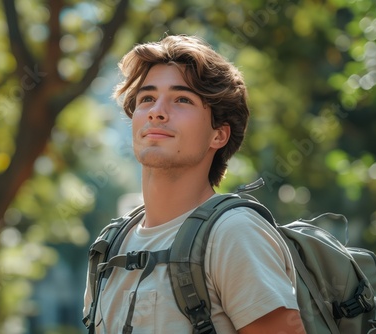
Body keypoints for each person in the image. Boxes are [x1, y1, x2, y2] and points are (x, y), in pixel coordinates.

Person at [83, 34, 306, 334]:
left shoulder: (234, 234)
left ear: (219, 135)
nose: (156, 111)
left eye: (182, 99)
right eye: (146, 98)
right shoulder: (110, 245)